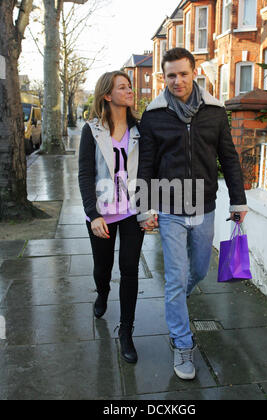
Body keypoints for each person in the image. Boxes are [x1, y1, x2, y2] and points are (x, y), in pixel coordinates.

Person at [137, 48, 248, 380]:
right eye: (171, 75)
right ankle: (182, 343)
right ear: (164, 76)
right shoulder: (154, 115)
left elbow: (228, 158)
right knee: (174, 277)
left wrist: (238, 202)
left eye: (183, 74)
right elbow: (146, 165)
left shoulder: (215, 111)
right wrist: (144, 207)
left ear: (194, 72)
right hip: (169, 208)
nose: (177, 81)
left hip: (205, 206)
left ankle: (175, 308)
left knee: (198, 270)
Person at [78, 71, 144, 364]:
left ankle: (126, 332)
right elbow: (85, 174)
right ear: (107, 95)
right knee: (102, 268)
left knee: (129, 269)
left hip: (132, 214)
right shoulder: (91, 130)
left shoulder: (140, 129)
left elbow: (147, 170)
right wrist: (92, 214)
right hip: (102, 215)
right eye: (122, 87)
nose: (129, 90)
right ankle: (102, 293)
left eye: (130, 86)